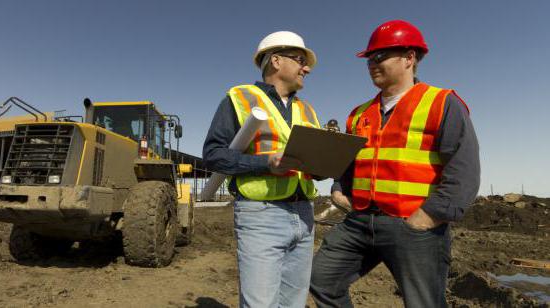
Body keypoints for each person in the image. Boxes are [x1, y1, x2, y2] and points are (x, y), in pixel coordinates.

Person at [309, 20, 480, 307]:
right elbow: (351, 162)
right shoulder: (359, 113)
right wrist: (339, 187)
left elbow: (463, 170)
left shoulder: (441, 103)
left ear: (409, 58)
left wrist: (428, 217)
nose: (372, 64)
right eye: (369, 59)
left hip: (413, 224)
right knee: (321, 279)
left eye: (380, 56)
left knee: (423, 303)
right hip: (360, 222)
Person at [202, 31, 322, 308]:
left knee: (293, 303)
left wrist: (325, 165)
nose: (307, 68)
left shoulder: (308, 111)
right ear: (276, 61)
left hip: (304, 213)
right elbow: (213, 156)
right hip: (262, 214)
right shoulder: (241, 98)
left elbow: (313, 163)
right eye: (300, 60)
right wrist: (265, 164)